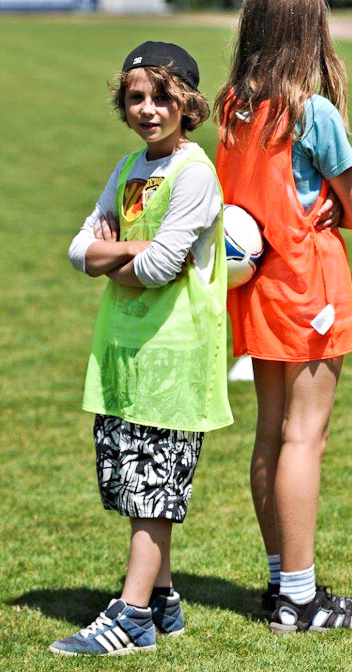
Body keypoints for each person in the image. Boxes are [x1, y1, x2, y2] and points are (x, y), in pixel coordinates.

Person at [49, 41, 232, 656]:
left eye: (161, 96)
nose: (148, 109)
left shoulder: (195, 173)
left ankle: (129, 618)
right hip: (123, 348)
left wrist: (117, 255)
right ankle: (162, 601)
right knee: (133, 483)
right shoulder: (128, 169)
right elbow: (79, 250)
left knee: (153, 488)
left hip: (173, 354)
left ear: (187, 103)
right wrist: (121, 256)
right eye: (135, 98)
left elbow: (159, 267)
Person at [214, 0, 352, 634]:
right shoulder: (313, 112)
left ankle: (285, 579)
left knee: (272, 434)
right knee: (305, 438)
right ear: (312, 31)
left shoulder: (232, 103)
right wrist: (337, 208)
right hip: (308, 287)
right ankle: (300, 602)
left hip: (253, 285)